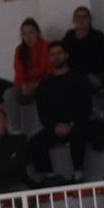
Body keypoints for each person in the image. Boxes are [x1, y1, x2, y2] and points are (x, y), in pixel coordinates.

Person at [28, 40, 93, 183]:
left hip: (77, 124)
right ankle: (50, 177)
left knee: (78, 132)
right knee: (36, 141)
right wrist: (54, 126)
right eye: (52, 54)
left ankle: (78, 175)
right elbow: (42, 112)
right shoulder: (44, 84)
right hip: (54, 127)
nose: (56, 57)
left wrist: (71, 124)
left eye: (59, 53)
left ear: (66, 55)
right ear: (49, 58)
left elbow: (86, 107)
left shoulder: (79, 79)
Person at [5, 18, 51, 131]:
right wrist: (24, 86)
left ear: (38, 33)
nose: (28, 37)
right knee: (9, 94)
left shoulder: (47, 46)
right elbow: (19, 74)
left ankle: (48, 129)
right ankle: (17, 132)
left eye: (31, 32)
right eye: (24, 34)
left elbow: (50, 73)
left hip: (44, 86)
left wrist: (35, 84)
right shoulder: (20, 50)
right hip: (26, 88)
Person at [62, 5, 104, 92]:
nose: (81, 20)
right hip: (76, 73)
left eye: (85, 17)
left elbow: (101, 59)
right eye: (78, 17)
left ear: (90, 19)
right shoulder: (69, 36)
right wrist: (86, 73)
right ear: (73, 20)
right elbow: (67, 59)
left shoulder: (98, 36)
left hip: (95, 73)